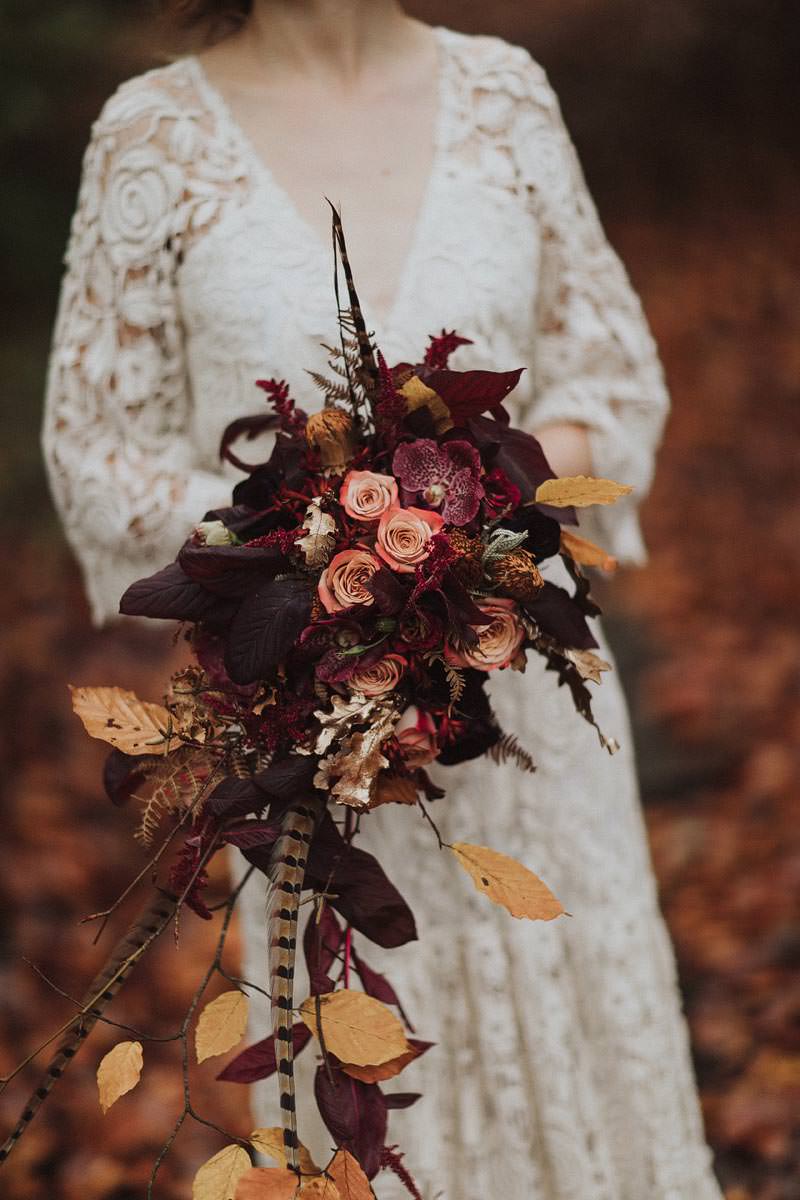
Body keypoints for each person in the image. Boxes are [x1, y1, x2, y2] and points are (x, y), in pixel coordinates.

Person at [41, 2, 724, 1197]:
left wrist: (466, 517)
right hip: (318, 751)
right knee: (360, 1090)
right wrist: (303, 548)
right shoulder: (149, 134)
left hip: (530, 734)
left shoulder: (504, 92)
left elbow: (610, 375)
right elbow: (94, 450)